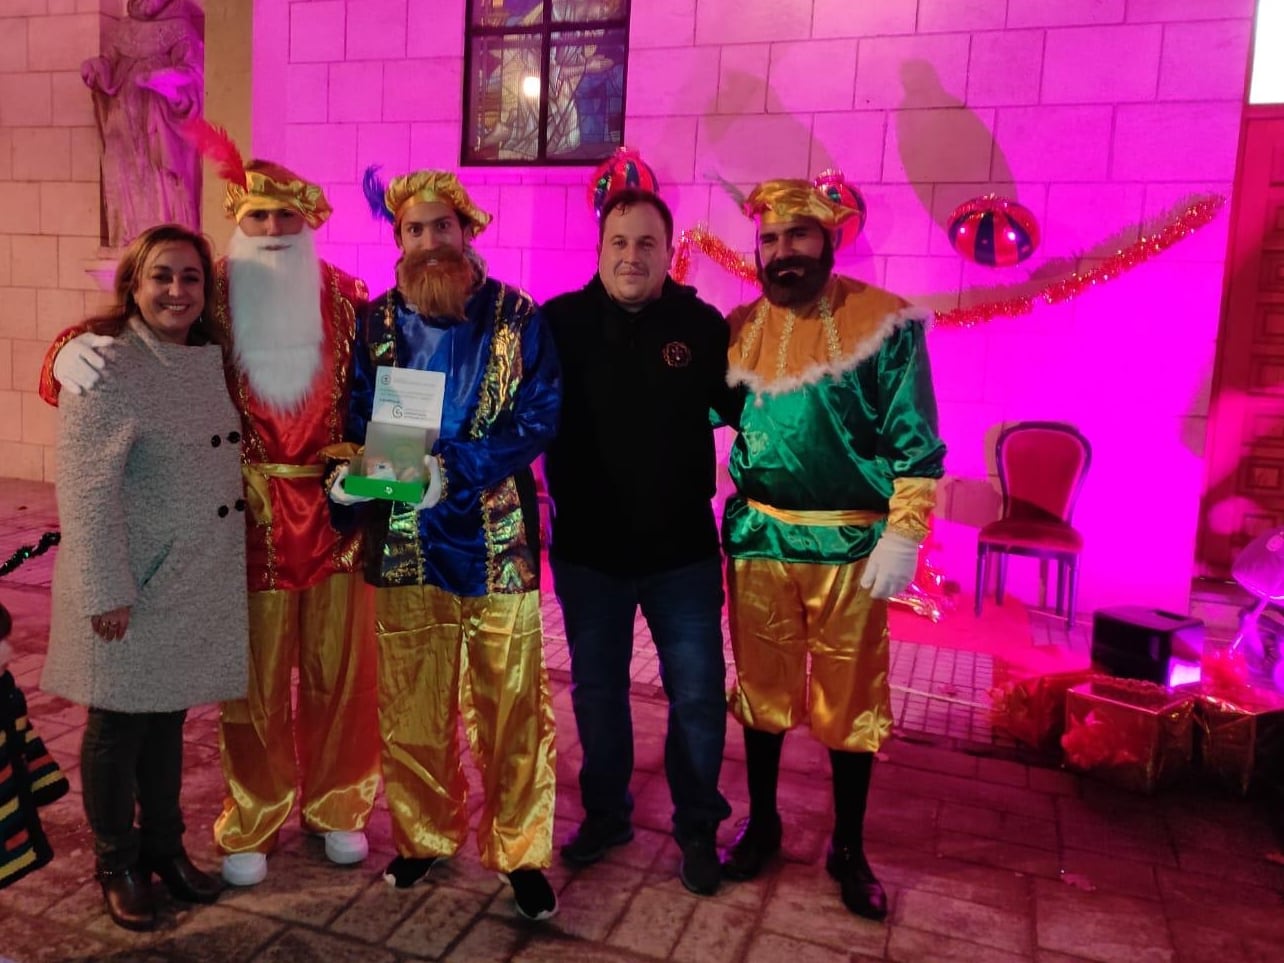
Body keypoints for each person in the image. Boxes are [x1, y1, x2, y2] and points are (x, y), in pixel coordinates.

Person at [40, 130, 381, 889]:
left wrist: (379, 463)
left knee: (339, 678)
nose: (270, 232)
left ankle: (337, 806)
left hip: (335, 521)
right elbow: (120, 342)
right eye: (256, 218)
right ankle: (253, 814)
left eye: (284, 219)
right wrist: (59, 353)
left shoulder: (350, 298)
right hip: (242, 525)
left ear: (308, 224)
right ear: (238, 221)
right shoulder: (207, 291)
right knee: (249, 687)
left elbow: (392, 389)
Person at [331, 169, 561, 920]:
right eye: (414, 231)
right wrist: (367, 477)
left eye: (442, 227)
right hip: (406, 536)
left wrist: (452, 467)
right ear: (399, 244)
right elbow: (362, 414)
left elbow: (538, 417)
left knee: (512, 700)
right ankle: (425, 835)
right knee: (414, 698)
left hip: (496, 536)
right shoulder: (375, 324)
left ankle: (520, 849)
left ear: (468, 232)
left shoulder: (518, 314)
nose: (430, 241)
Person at [718, 177, 946, 920]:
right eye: (771, 239)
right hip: (759, 540)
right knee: (763, 692)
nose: (783, 252)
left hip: (852, 546)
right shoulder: (741, 325)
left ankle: (849, 845)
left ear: (831, 239)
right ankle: (765, 821)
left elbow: (919, 444)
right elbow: (707, 411)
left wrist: (906, 532)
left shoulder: (884, 325)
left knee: (850, 702)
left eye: (799, 236)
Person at [40, 224, 249, 931]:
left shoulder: (203, 357)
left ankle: (164, 847)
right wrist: (106, 589)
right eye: (161, 276)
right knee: (116, 726)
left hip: (185, 577)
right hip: (132, 581)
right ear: (133, 282)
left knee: (166, 719)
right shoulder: (108, 365)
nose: (176, 291)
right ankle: (117, 860)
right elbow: (87, 488)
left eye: (191, 277)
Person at [541, 188, 739, 895]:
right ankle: (606, 814)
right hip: (590, 556)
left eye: (646, 243)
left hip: (680, 555)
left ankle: (696, 825)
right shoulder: (557, 323)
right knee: (598, 694)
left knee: (696, 695)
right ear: (600, 249)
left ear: (667, 250)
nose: (632, 256)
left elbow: (753, 406)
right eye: (619, 242)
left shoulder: (701, 324)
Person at [81, 0, 204, 246]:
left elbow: (194, 76)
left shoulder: (180, 27)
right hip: (123, 123)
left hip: (159, 124)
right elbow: (109, 64)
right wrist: (97, 68)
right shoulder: (123, 29)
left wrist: (162, 79)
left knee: (162, 179)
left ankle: (166, 240)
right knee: (125, 176)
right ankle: (129, 238)